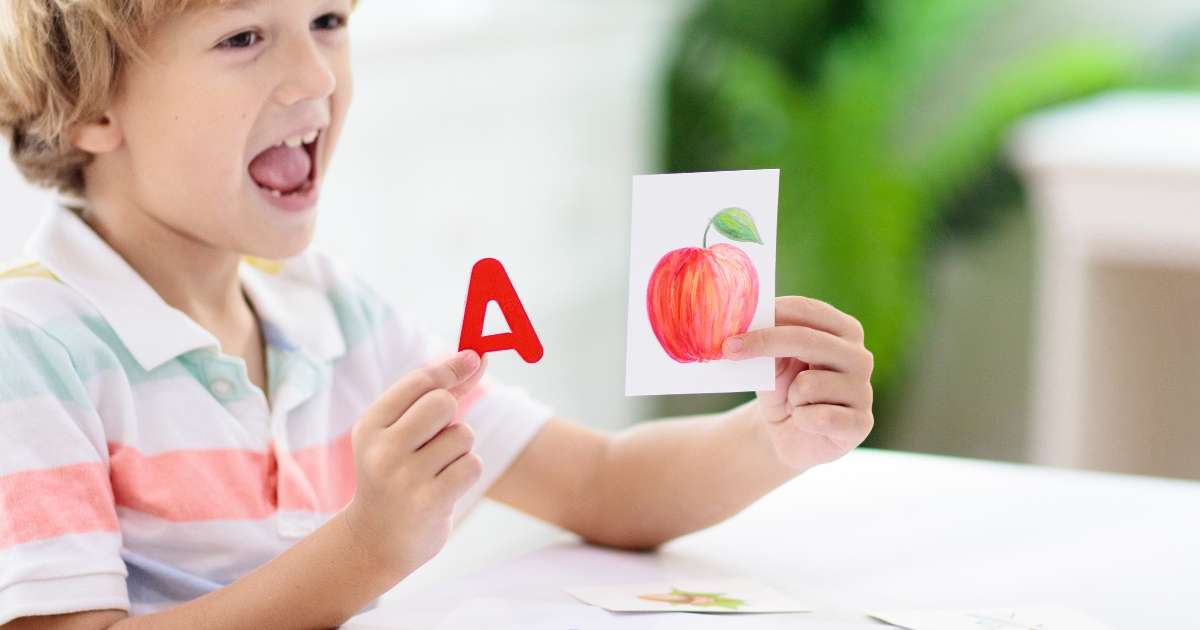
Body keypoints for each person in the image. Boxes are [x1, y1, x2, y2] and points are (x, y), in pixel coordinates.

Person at [0, 1, 874, 628]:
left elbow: (605, 484)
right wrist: (366, 549)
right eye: (243, 36)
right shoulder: (31, 347)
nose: (314, 77)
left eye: (330, 23)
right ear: (92, 105)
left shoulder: (333, 314)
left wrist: (775, 436)